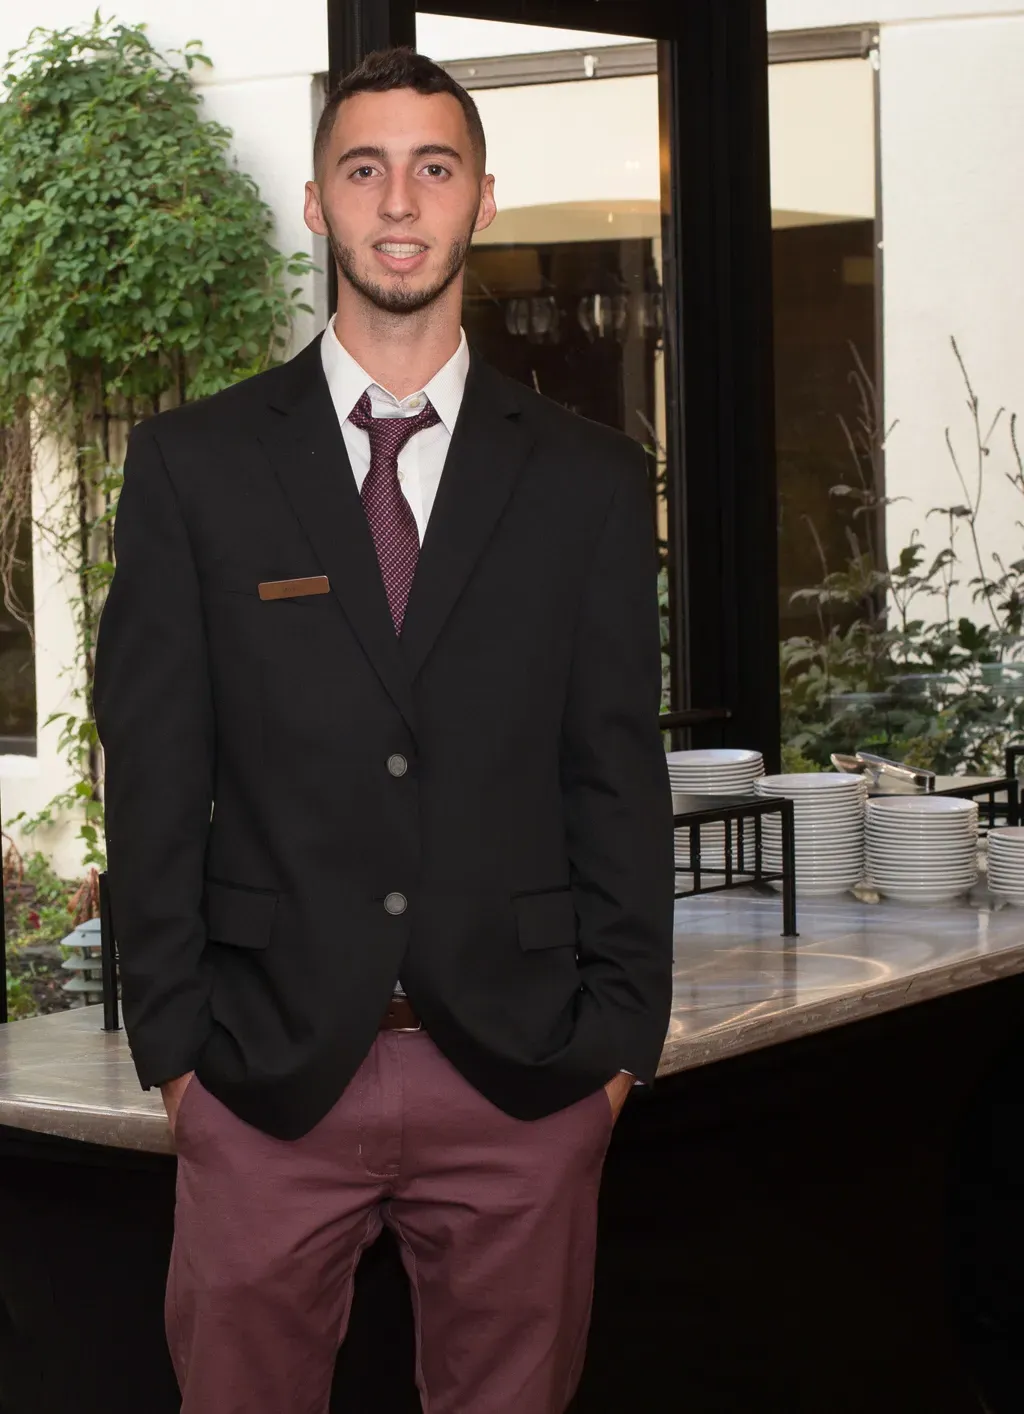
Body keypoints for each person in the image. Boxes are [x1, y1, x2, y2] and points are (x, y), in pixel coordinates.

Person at [93, 43, 674, 1414]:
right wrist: (175, 1055)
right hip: (262, 1076)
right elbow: (158, 773)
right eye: (365, 169)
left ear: (482, 200)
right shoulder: (196, 469)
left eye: (433, 168)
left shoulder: (589, 481)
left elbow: (614, 773)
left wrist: (617, 1048)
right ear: (317, 202)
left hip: (525, 1080)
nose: (398, 201)